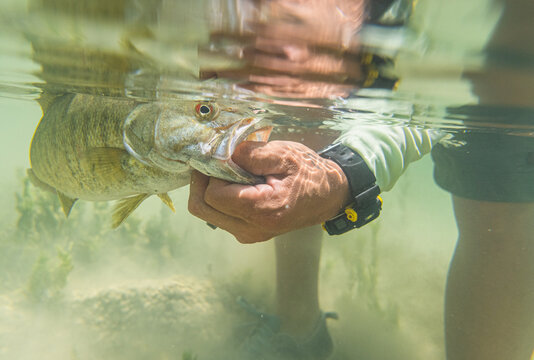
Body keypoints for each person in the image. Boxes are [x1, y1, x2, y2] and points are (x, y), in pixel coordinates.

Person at [192, 0, 534, 360]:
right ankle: (299, 326)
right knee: (301, 96)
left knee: (497, 201)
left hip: (504, 61)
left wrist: (344, 174)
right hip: (388, 38)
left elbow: (445, 100)